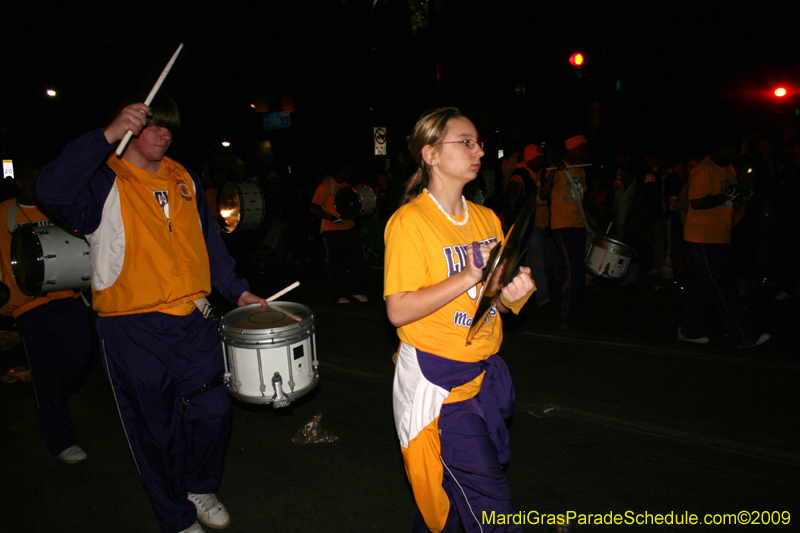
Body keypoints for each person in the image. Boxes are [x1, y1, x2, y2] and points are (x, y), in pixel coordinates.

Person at [32, 94, 268, 533]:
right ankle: (175, 517)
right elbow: (48, 189)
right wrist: (104, 136)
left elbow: (209, 245)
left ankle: (199, 486)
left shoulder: (185, 179)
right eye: (152, 126)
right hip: (131, 326)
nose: (163, 135)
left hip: (194, 320)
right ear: (130, 127)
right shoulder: (101, 182)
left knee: (214, 412)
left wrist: (238, 292)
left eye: (169, 128)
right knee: (156, 430)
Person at [384, 107, 534, 533]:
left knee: (446, 501)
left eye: (478, 142)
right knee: (492, 506)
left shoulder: (487, 220)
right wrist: (468, 273)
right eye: (466, 142)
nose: (480, 150)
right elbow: (398, 310)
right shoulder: (409, 223)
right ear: (431, 154)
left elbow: (492, 302)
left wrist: (511, 297)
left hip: (480, 376)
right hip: (439, 388)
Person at [0, 164, 92, 464]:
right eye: (32, 178)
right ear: (19, 182)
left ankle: (51, 402)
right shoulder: (3, 213)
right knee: (45, 370)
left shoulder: (60, 211)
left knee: (79, 358)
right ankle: (60, 439)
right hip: (28, 305)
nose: (38, 183)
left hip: (68, 297)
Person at [679, 132, 769, 348]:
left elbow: (732, 194)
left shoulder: (728, 167)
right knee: (722, 286)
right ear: (721, 148)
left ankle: (689, 329)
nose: (738, 153)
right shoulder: (704, 170)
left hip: (719, 235)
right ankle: (745, 335)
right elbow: (697, 203)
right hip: (702, 236)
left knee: (701, 285)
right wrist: (727, 195)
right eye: (734, 149)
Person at [540, 135, 599, 330]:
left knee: (578, 268)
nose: (585, 153)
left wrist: (594, 227)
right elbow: (543, 194)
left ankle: (572, 310)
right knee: (575, 268)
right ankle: (567, 314)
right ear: (571, 150)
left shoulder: (580, 170)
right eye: (582, 149)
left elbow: (581, 203)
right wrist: (553, 171)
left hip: (578, 224)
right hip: (562, 224)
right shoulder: (557, 169)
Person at [310, 162, 369, 303]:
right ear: (339, 171)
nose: (349, 175)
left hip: (350, 227)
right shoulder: (325, 187)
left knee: (358, 261)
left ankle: (357, 291)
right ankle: (335, 295)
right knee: (337, 264)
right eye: (346, 172)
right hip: (334, 231)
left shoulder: (346, 187)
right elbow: (313, 208)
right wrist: (331, 217)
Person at [505, 143, 551, 306]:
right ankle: (542, 297)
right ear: (530, 159)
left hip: (536, 225)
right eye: (536, 158)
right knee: (536, 262)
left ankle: (532, 296)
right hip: (528, 226)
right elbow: (511, 202)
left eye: (541, 158)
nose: (540, 161)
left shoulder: (535, 174)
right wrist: (515, 227)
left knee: (532, 262)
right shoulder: (520, 176)